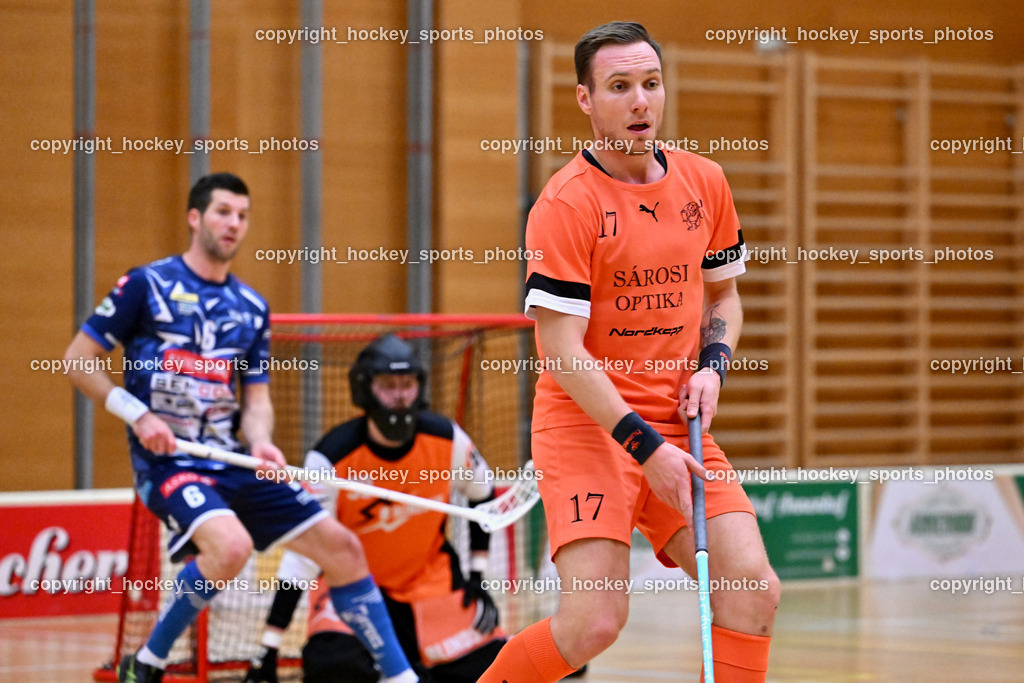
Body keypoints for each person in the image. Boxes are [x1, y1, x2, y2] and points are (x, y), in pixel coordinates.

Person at [479, 22, 780, 683]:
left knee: (753, 588)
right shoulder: (564, 204)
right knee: (594, 623)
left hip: (679, 423)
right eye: (619, 87)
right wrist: (644, 447)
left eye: (650, 83)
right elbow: (558, 348)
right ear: (585, 99)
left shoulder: (706, 181)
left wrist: (713, 365)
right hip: (590, 427)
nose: (641, 101)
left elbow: (725, 299)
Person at [63, 173, 417, 683]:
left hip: (231, 459)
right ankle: (150, 662)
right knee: (230, 548)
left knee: (344, 550)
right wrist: (137, 415)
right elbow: (77, 361)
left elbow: (256, 399)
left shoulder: (251, 308)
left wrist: (262, 442)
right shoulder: (146, 284)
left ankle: (399, 677)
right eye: (223, 211)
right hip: (167, 464)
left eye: (242, 215)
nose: (234, 224)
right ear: (195, 217)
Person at [243, 334, 506, 683]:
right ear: (366, 390)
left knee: (498, 667)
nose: (399, 396)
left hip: (428, 584)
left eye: (407, 385)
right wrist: (271, 644)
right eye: (388, 385)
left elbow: (482, 495)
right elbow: (303, 556)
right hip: (351, 589)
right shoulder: (330, 458)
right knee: (332, 668)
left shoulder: (447, 439)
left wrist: (477, 575)